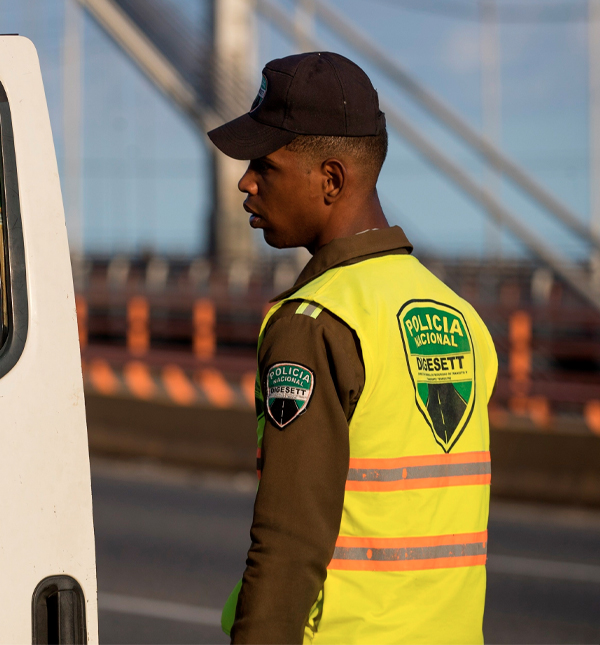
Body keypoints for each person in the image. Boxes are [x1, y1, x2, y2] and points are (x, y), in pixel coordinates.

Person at [207, 52, 498, 644]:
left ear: (331, 180)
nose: (245, 181)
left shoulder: (314, 323)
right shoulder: (462, 318)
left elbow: (289, 541)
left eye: (265, 165)